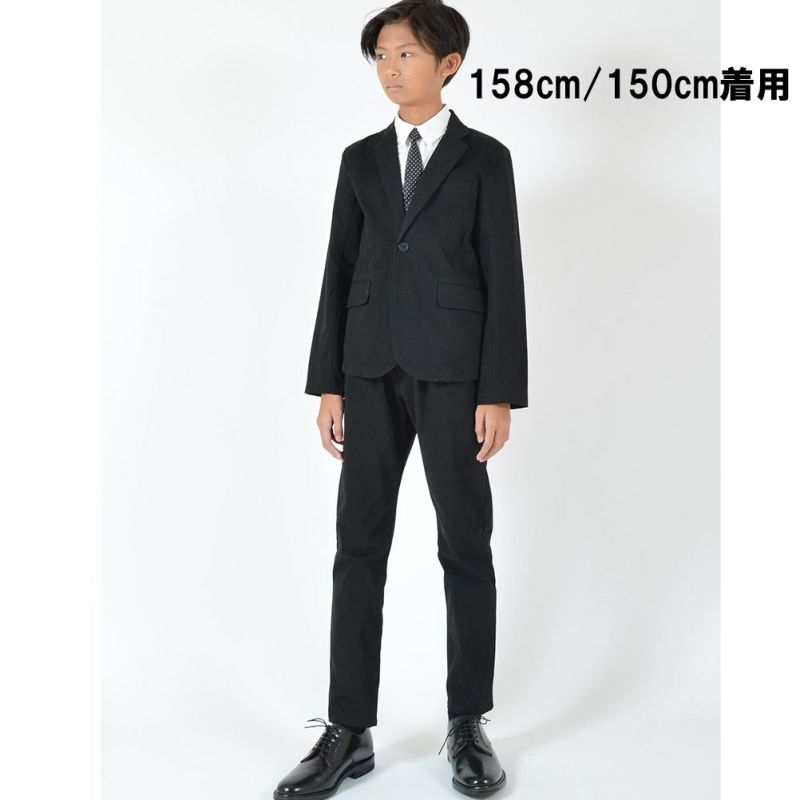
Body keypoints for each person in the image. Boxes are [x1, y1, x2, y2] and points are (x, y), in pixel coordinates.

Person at [274, 1, 527, 797]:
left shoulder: (485, 159)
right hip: (367, 369)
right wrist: (328, 382)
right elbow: (338, 269)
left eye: (407, 53)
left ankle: (468, 722)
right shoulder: (359, 160)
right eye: (381, 55)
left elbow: (504, 276)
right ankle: (347, 729)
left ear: (449, 63)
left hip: (455, 374)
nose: (390, 68)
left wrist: (499, 391)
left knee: (465, 545)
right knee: (358, 547)